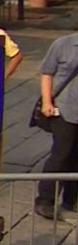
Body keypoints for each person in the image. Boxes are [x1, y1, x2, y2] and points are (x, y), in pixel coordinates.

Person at [34, 30, 78, 219]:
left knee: (75, 157)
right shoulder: (63, 45)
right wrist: (46, 102)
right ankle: (45, 200)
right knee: (61, 155)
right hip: (64, 110)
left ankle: (71, 200)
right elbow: (46, 73)